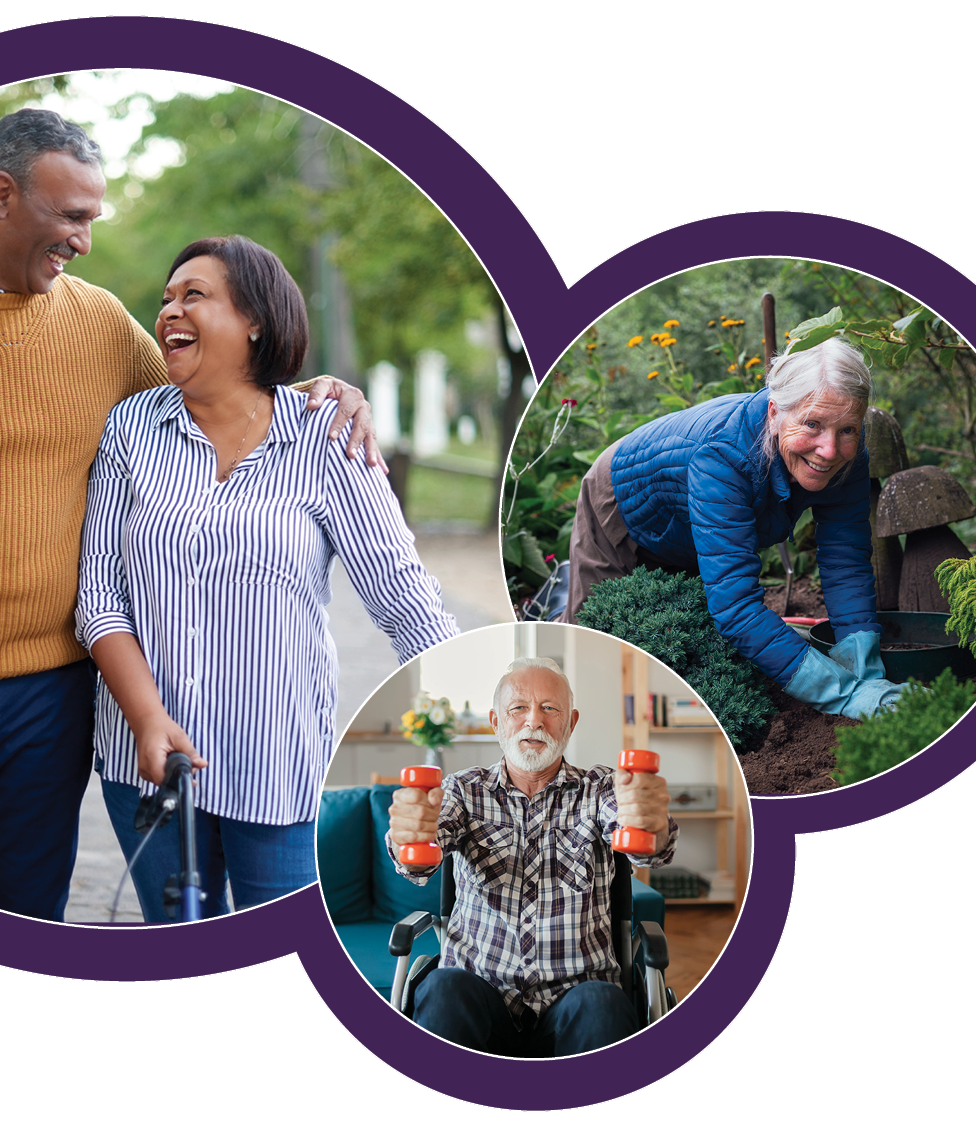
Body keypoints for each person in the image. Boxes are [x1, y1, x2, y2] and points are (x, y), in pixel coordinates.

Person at [0, 110, 379, 921]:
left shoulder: (98, 324)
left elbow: (211, 385)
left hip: (48, 698)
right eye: (71, 217)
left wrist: (320, 394)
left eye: (93, 220)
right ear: (1, 196)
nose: (84, 242)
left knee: (29, 918)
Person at [78, 235, 458, 924]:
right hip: (147, 763)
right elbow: (99, 593)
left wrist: (466, 707)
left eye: (194, 295)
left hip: (275, 764)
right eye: (166, 298)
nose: (169, 311)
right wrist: (146, 717)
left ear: (255, 319)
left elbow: (403, 597)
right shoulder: (133, 427)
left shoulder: (326, 437)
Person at [562, 337, 902, 720]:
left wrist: (867, 677)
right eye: (813, 424)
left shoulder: (847, 459)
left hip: (694, 521)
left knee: (694, 642)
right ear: (775, 413)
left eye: (848, 430)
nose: (829, 449)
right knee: (586, 647)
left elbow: (846, 562)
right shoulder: (724, 458)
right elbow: (736, 609)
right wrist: (843, 695)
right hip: (623, 500)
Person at [384, 658, 674, 1057]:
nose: (533, 721)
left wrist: (650, 825)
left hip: (577, 997)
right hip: (478, 993)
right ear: (495, 721)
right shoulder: (463, 790)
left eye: (549, 708)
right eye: (518, 708)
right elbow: (419, 857)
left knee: (602, 1004)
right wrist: (409, 837)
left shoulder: (602, 788)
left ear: (570, 723)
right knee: (442, 987)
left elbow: (643, 839)